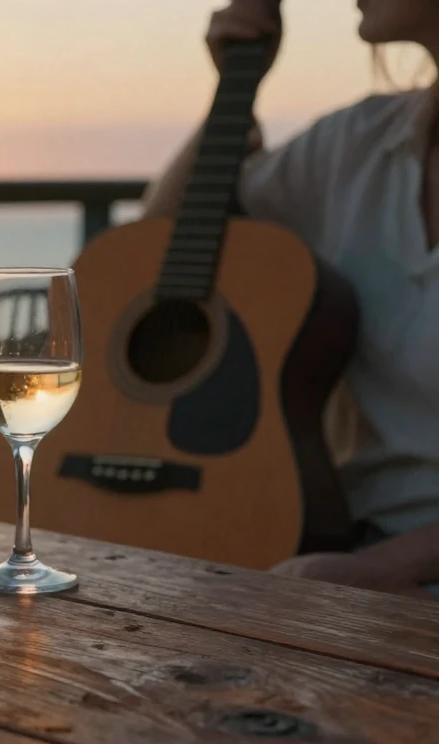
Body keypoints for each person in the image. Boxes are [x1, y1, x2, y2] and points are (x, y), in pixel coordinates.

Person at [141, 0, 439, 599]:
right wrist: (232, 92)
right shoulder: (357, 144)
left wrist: (393, 567)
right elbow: (155, 246)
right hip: (348, 545)